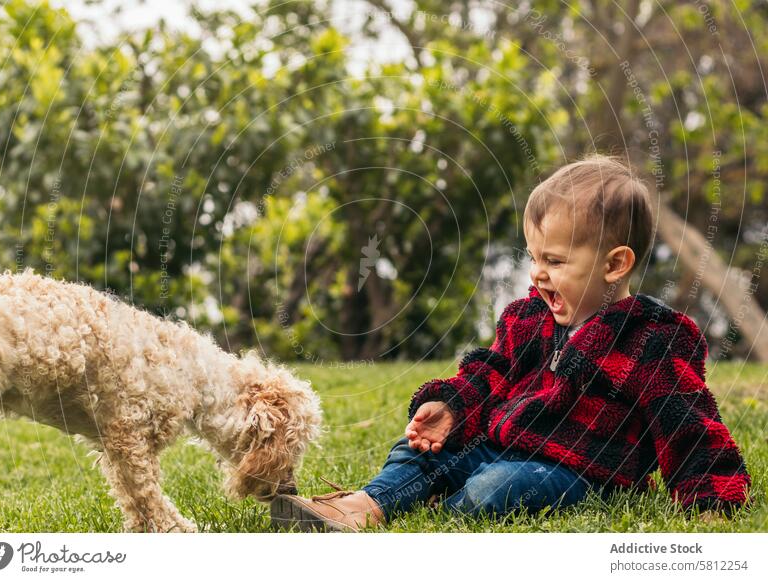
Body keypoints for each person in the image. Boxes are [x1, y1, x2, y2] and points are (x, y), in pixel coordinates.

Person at [270, 155, 752, 532]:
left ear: (614, 264)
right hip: (497, 442)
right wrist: (455, 407)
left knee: (498, 488)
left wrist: (710, 498)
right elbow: (491, 372)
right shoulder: (527, 317)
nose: (538, 272)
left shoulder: (651, 339)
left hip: (579, 471)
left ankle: (438, 508)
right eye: (533, 256)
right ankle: (366, 504)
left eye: (556, 261)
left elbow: (688, 421)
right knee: (419, 452)